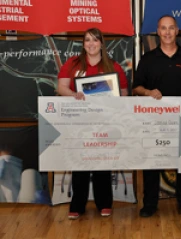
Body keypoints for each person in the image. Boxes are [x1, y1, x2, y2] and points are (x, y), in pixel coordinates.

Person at [133, 15, 181, 217]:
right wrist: (147, 92)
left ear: (177, 30)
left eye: (171, 28)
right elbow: (136, 88)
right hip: (154, 119)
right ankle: (150, 203)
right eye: (163, 28)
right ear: (157, 31)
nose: (167, 32)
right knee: (152, 161)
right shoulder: (148, 59)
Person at [57, 28, 128, 219]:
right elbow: (61, 87)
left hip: (105, 123)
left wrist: (113, 103)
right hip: (79, 123)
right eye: (87, 40)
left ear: (101, 43)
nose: (91, 43)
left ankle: (104, 203)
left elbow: (124, 93)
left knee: (102, 163)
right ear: (83, 43)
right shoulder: (73, 64)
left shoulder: (113, 66)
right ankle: (77, 206)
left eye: (95, 40)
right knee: (80, 163)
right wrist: (74, 95)